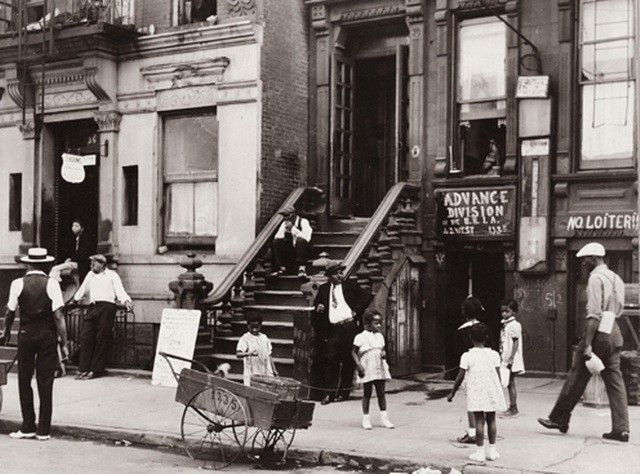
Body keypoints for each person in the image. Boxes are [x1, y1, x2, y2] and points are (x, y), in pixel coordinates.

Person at [538, 242, 629, 442]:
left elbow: (594, 314)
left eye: (585, 260)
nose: (583, 263)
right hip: (614, 330)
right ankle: (622, 429)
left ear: (593, 259)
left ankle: (559, 418)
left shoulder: (596, 278)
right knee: (615, 381)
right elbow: (618, 310)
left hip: (599, 334)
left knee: (577, 375)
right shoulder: (617, 278)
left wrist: (588, 343)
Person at [0, 247, 69, 441]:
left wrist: (6, 332)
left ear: (28, 263)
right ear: (46, 265)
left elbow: (10, 311)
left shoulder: (17, 283)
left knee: (24, 380)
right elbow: (58, 315)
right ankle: (44, 430)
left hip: (26, 335)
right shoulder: (52, 284)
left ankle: (28, 426)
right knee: (45, 381)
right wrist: (64, 341)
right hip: (47, 336)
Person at [312, 261, 371, 404]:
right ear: (329, 276)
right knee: (331, 360)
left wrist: (356, 311)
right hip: (333, 329)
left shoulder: (350, 286)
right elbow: (318, 304)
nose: (340, 276)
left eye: (341, 273)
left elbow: (366, 297)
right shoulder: (324, 289)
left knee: (347, 360)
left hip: (349, 327)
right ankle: (329, 394)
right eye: (336, 273)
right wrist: (318, 307)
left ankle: (344, 393)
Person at [448, 322, 506, 462]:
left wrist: (453, 392)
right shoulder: (494, 355)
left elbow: (460, 377)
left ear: (470, 338)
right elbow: (498, 375)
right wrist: (499, 391)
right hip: (491, 389)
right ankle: (492, 450)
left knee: (479, 420)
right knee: (491, 420)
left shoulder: (467, 356)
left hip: (476, 391)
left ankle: (480, 452)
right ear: (486, 337)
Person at [72, 254, 133, 380]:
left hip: (107, 308)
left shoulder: (112, 275)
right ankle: (83, 368)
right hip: (93, 307)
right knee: (86, 336)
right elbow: (83, 289)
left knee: (101, 338)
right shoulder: (90, 275)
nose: (91, 266)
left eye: (93, 263)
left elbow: (120, 291)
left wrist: (126, 301)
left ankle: (95, 370)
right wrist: (75, 299)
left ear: (102, 264)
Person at [352, 309, 393, 430]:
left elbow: (382, 349)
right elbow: (353, 352)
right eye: (376, 323)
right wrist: (358, 365)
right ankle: (366, 419)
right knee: (367, 393)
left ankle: (384, 418)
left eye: (380, 322)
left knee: (381, 392)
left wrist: (384, 353)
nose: (379, 325)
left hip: (378, 366)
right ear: (368, 323)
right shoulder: (360, 337)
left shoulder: (380, 336)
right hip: (367, 367)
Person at [456, 296, 483, 444]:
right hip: (485, 369)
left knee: (471, 403)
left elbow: (458, 353)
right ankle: (479, 430)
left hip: (469, 370)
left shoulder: (461, 331)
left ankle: (473, 433)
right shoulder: (485, 328)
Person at [236, 313, 278, 386]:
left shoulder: (264, 338)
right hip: (251, 371)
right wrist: (249, 353)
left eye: (257, 327)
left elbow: (269, 355)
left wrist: (274, 369)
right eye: (252, 327)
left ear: (260, 326)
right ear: (248, 326)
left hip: (265, 370)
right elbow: (238, 354)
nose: (254, 329)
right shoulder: (245, 338)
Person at [499, 298, 524, 418]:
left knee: (510, 383)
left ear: (513, 312)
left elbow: (515, 342)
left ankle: (514, 408)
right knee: (509, 383)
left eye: (507, 311)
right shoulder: (506, 324)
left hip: (511, 359)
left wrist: (511, 358)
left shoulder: (514, 325)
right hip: (506, 357)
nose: (504, 313)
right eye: (502, 311)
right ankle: (512, 407)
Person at [271, 205, 313, 277]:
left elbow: (306, 238)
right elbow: (277, 237)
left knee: (300, 240)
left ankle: (302, 268)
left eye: (287, 215)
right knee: (276, 242)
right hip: (291, 251)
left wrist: (293, 229)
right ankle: (281, 268)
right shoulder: (284, 223)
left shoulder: (303, 221)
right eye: (284, 216)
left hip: (304, 250)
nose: (285, 218)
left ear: (293, 214)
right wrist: (285, 232)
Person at [49, 220, 92, 284]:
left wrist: (71, 259)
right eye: (73, 226)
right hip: (76, 263)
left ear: (82, 228)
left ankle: (56, 282)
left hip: (81, 264)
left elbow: (82, 254)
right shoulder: (76, 238)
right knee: (56, 269)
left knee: (55, 269)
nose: (74, 228)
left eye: (77, 226)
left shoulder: (85, 239)